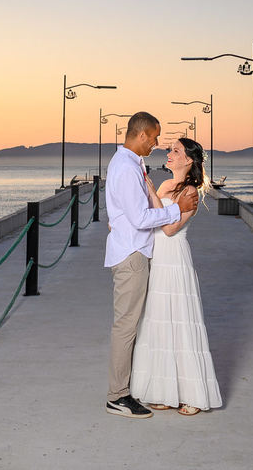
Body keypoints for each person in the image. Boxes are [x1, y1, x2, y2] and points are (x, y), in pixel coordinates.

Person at [129, 137, 223, 415]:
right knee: (159, 319)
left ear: (188, 160)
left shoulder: (191, 191)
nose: (169, 154)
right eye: (170, 150)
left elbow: (169, 229)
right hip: (158, 259)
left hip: (175, 259)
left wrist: (152, 193)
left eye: (176, 151)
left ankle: (192, 395)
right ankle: (166, 392)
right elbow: (150, 217)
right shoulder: (166, 185)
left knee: (180, 320)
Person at [104, 111, 182, 418]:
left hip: (132, 250)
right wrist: (176, 212)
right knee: (125, 327)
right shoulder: (125, 168)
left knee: (129, 325)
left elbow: (125, 214)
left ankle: (122, 391)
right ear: (140, 135)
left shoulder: (129, 165)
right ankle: (117, 396)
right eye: (154, 136)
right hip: (131, 254)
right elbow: (138, 218)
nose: (157, 143)